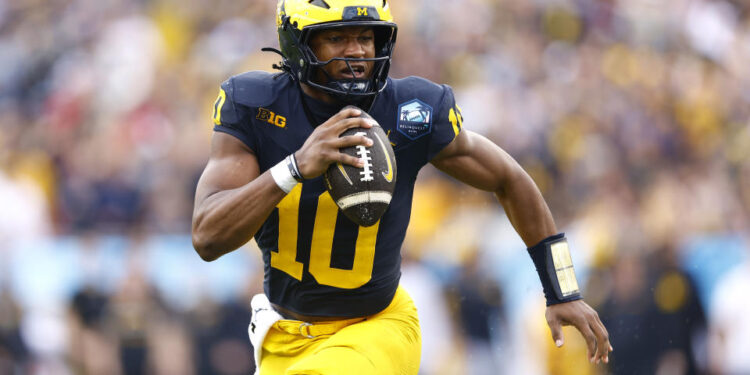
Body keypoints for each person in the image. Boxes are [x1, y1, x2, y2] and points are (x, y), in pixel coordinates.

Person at [191, 1, 612, 373]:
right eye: (336, 37)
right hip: (285, 337)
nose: (355, 52)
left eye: (365, 37)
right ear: (297, 43)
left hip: (377, 328)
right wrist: (295, 167)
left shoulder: (411, 111)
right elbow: (207, 237)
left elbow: (510, 177)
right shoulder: (255, 106)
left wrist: (562, 290)